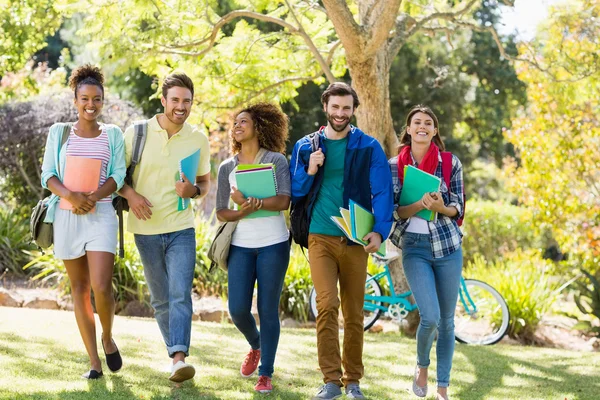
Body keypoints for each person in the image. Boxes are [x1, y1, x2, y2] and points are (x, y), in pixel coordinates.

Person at [289, 82, 394, 400]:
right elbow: (294, 191)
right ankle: (331, 381)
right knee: (326, 305)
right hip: (319, 236)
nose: (340, 113)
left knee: (353, 311)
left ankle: (354, 382)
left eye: (346, 108)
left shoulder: (368, 146)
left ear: (353, 109)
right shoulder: (307, 145)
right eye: (335, 107)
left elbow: (383, 191)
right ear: (325, 107)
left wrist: (380, 231)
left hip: (355, 240)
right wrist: (310, 168)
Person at [117, 73, 211, 383]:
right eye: (175, 100)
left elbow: (204, 183)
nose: (181, 107)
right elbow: (115, 176)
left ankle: (178, 358)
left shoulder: (198, 137)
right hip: (146, 230)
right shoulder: (138, 133)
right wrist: (131, 195)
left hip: (182, 227)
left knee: (180, 293)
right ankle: (176, 356)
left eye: (187, 101)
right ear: (163, 100)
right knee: (160, 298)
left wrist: (193, 192)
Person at [40, 65, 125, 379]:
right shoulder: (59, 132)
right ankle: (94, 361)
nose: (91, 104)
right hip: (67, 215)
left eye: (97, 99)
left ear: (103, 101)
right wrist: (72, 196)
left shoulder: (113, 134)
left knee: (102, 287)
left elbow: (118, 175)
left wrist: (91, 195)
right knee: (79, 288)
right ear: (75, 100)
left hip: (101, 214)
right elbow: (48, 174)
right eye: (85, 99)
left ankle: (107, 336)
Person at [388, 105, 464, 400]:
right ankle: (422, 366)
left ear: (435, 131)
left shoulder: (449, 162)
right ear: (408, 129)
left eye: (428, 123)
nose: (422, 126)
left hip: (447, 247)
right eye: (416, 122)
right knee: (429, 317)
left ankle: (442, 388)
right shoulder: (395, 165)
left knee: (447, 322)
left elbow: (459, 208)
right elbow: (394, 211)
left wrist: (439, 207)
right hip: (415, 248)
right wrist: (420, 205)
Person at [215, 102, 291, 394]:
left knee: (267, 309)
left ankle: (266, 373)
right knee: (236, 309)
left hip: (273, 243)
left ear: (258, 127)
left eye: (244, 121)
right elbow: (222, 211)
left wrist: (255, 202)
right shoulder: (226, 167)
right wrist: (242, 211)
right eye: (235, 122)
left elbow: (284, 201)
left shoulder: (275, 161)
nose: (237, 126)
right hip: (241, 246)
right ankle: (256, 344)